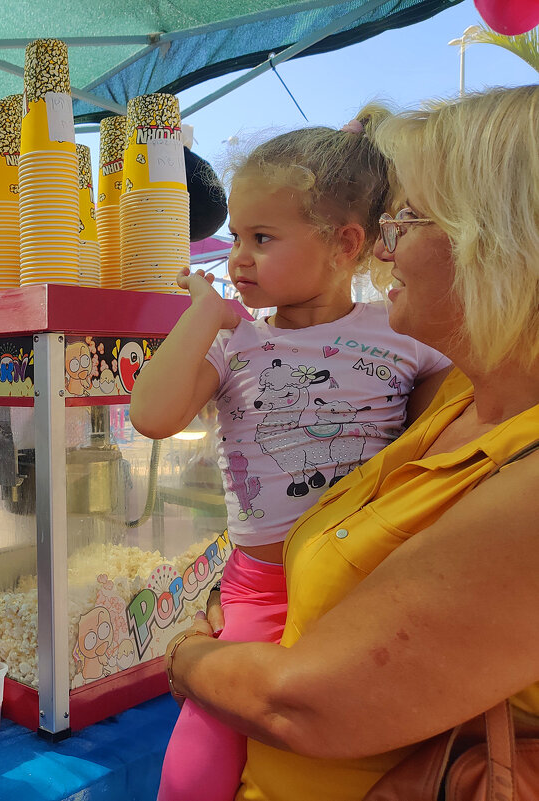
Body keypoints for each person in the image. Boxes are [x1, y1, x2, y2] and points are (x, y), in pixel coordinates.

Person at [163, 84, 539, 801]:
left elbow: (301, 703)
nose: (384, 246)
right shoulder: (466, 394)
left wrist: (186, 658)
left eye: (406, 217)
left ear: (496, 243)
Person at [129, 111, 452, 800]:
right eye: (236, 236)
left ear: (345, 244)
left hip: (359, 584)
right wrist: (202, 318)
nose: (238, 256)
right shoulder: (235, 340)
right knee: (198, 758)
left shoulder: (402, 333)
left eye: (263, 237)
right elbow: (152, 415)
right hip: (260, 585)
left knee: (338, 748)